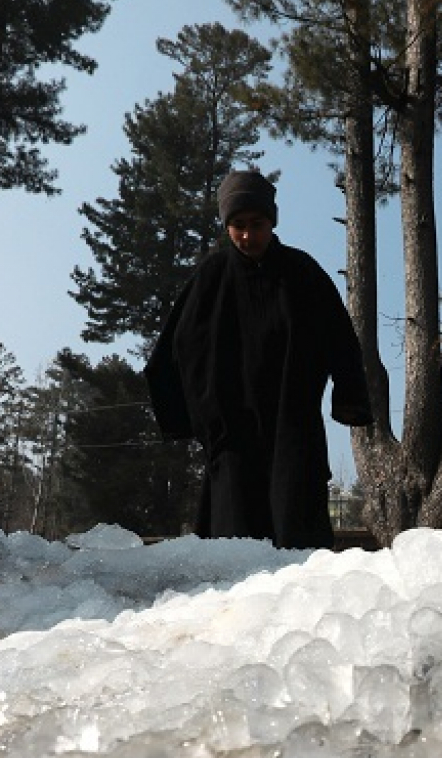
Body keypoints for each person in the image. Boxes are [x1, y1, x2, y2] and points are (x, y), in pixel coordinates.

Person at [144, 171, 374, 549]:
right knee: (235, 549)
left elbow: (342, 343)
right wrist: (188, 420)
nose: (248, 236)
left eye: (257, 224)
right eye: (238, 226)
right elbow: (170, 352)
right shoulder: (211, 278)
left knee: (296, 546)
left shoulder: (303, 275)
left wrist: (351, 400)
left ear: (272, 221)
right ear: (226, 225)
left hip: (293, 430)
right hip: (232, 438)